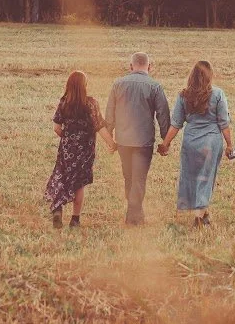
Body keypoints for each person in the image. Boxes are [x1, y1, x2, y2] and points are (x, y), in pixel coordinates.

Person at [158, 60, 232, 226]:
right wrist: (229, 145)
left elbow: (176, 123)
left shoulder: (183, 96)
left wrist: (166, 143)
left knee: (190, 176)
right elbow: (224, 123)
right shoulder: (218, 94)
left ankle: (203, 213)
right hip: (211, 141)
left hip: (191, 141)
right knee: (206, 176)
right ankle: (199, 216)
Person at [104, 52, 171, 225]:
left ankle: (134, 213)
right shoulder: (155, 86)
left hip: (123, 139)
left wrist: (109, 137)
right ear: (150, 66)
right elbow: (163, 115)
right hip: (144, 140)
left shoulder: (117, 84)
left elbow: (109, 112)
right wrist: (165, 140)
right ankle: (134, 215)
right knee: (139, 179)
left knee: (129, 177)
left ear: (130, 66)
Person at [44, 71, 117, 229]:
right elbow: (100, 127)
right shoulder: (91, 103)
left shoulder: (64, 102)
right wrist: (111, 143)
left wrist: (68, 138)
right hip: (85, 151)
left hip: (67, 149)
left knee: (61, 178)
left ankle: (57, 209)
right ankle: (75, 220)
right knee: (79, 184)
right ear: (85, 86)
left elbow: (57, 128)